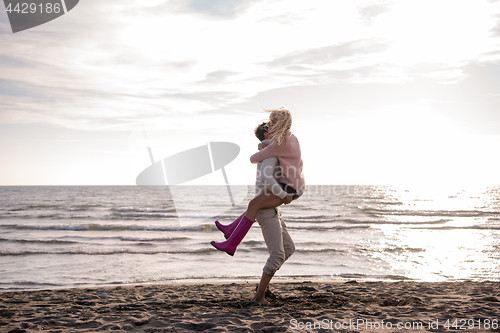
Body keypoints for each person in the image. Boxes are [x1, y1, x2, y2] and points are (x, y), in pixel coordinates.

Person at [215, 122, 296, 304]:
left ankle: (262, 288)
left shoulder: (270, 150)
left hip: (271, 208)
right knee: (277, 255)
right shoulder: (270, 154)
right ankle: (259, 296)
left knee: (289, 248)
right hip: (266, 209)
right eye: (271, 127)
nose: (277, 129)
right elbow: (266, 178)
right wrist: (283, 195)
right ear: (267, 135)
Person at [211, 107, 305, 256]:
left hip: (289, 188)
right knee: (256, 204)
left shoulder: (279, 145)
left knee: (254, 204)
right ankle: (230, 231)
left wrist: (264, 146)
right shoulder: (292, 138)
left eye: (271, 122)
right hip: (292, 184)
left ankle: (231, 244)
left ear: (279, 125)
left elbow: (253, 158)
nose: (268, 125)